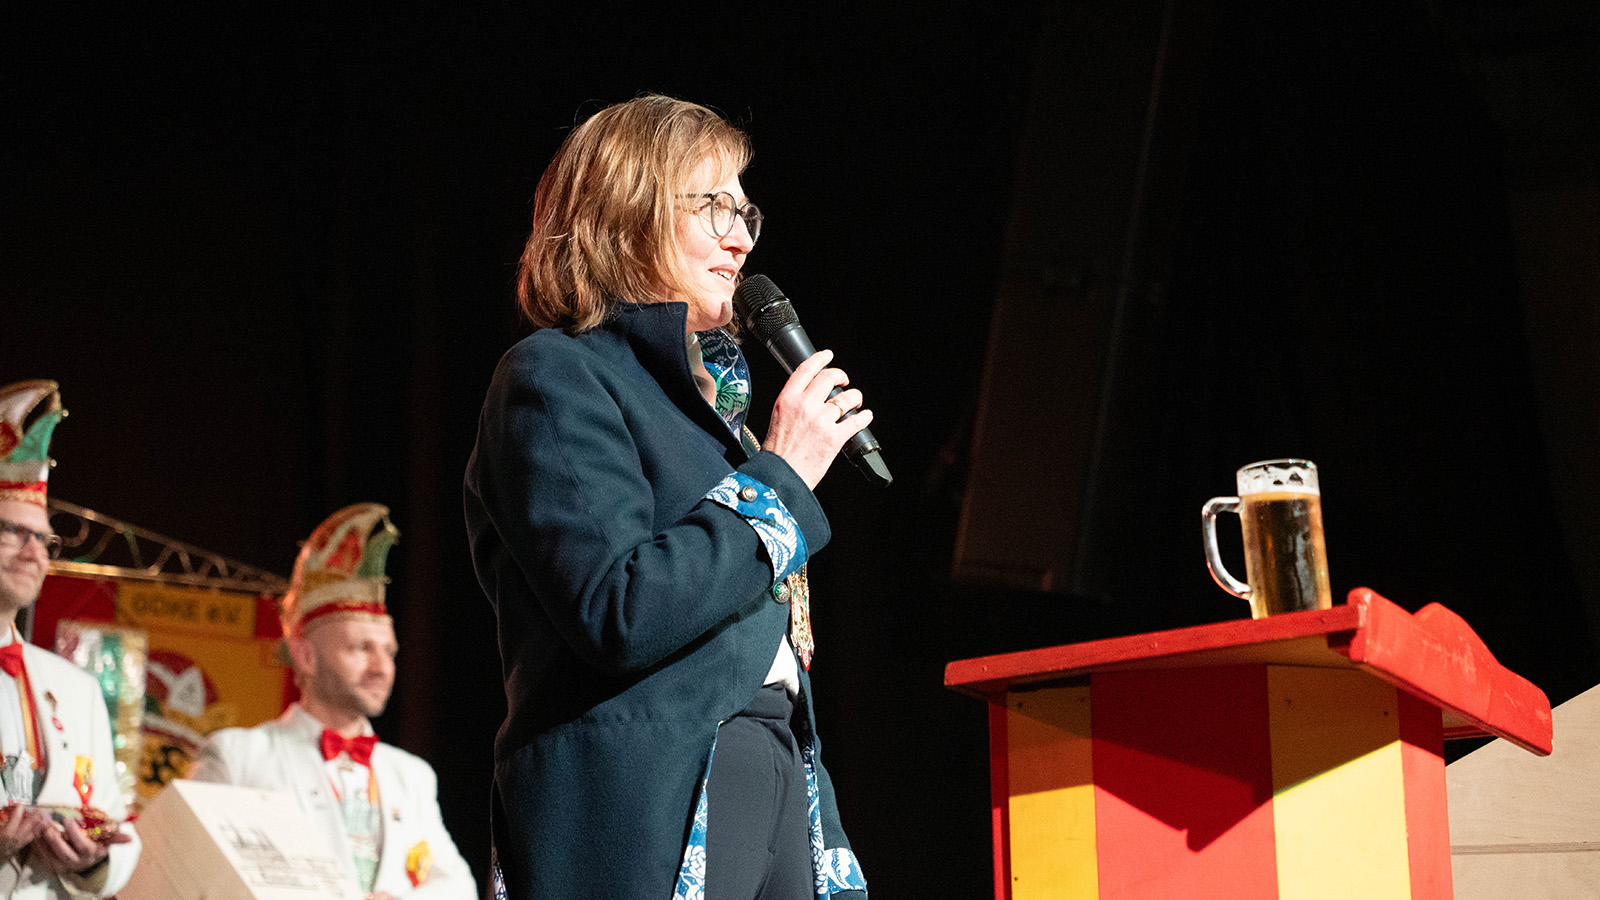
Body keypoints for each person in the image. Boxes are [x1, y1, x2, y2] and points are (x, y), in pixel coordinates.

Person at [464, 94, 872, 900]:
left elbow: (769, 652)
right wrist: (780, 477)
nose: (742, 236)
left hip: (774, 762)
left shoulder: (715, 418)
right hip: (650, 788)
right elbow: (620, 609)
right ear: (626, 215)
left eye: (745, 211)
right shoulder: (556, 376)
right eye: (713, 205)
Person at [189, 504, 475, 900]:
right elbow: (188, 878)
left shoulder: (411, 776)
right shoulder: (239, 756)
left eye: (389, 651)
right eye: (361, 648)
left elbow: (459, 888)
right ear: (306, 655)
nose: (382, 668)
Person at [0, 380, 139, 898]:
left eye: (42, 537)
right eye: (12, 531)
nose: (34, 552)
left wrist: (92, 860)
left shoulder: (75, 688)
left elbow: (114, 821)